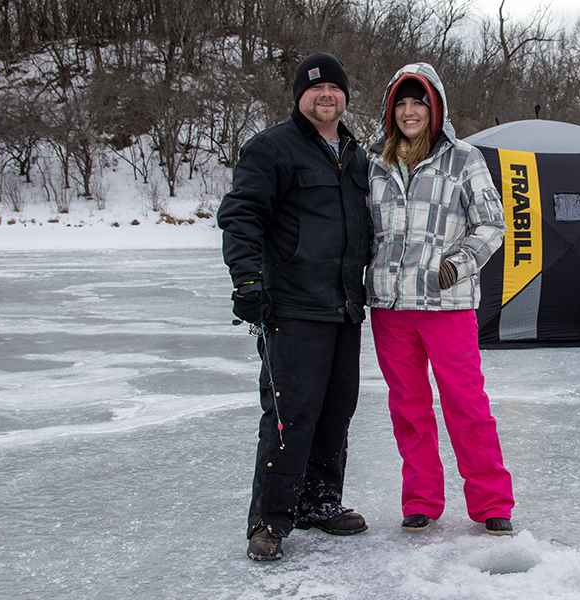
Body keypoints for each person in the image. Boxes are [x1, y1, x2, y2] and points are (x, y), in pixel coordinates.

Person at [217, 52, 372, 561]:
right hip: (292, 308)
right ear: (299, 97)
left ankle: (319, 503)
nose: (326, 96)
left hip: (345, 306)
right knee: (290, 414)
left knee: (335, 411)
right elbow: (242, 216)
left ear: (345, 97)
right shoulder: (271, 149)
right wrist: (247, 279)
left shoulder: (356, 154)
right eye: (315, 88)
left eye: (334, 88)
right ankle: (269, 520)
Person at [365, 63, 515, 535]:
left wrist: (458, 264)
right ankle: (421, 500)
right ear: (391, 110)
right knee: (408, 408)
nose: (410, 111)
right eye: (402, 102)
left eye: (419, 102)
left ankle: (492, 502)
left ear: (436, 108)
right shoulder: (375, 162)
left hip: (447, 305)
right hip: (390, 309)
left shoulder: (463, 159)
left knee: (466, 405)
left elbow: (492, 225)